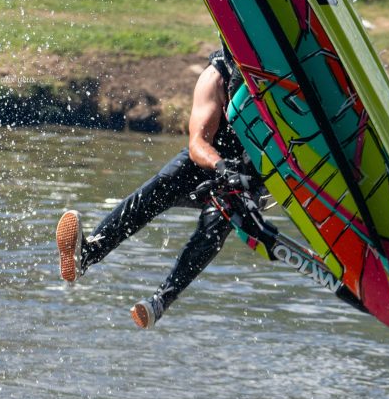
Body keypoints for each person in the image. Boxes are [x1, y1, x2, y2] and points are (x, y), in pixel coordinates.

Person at [55, 47, 258, 329]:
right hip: (210, 157)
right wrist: (222, 167)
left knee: (215, 226)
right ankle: (86, 256)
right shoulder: (215, 77)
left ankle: (160, 302)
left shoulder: (275, 86)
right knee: (157, 189)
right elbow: (198, 143)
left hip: (250, 173)